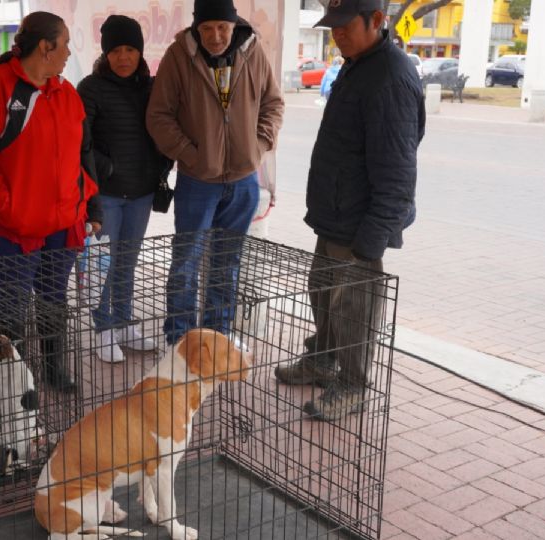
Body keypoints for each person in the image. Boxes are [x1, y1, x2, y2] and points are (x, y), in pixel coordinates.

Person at [274, 0, 425, 421]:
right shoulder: (358, 63)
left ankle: (354, 384)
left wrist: (372, 238)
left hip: (361, 224)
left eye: (345, 26)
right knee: (322, 293)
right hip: (335, 213)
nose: (336, 34)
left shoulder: (391, 77)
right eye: (333, 26)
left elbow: (398, 171)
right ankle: (322, 360)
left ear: (377, 21)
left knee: (354, 307)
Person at [0, 11, 102, 392]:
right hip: (12, 226)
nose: (69, 52)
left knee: (54, 301)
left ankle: (53, 369)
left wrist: (90, 206)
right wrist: (4, 205)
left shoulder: (66, 92)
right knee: (11, 304)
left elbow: (81, 153)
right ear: (45, 47)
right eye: (66, 44)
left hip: (62, 222)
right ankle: (15, 382)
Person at [147, 0, 284, 347]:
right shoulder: (180, 55)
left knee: (227, 263)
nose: (215, 36)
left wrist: (259, 143)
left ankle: (217, 335)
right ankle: (179, 337)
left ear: (234, 24)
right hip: (197, 181)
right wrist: (190, 155)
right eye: (207, 28)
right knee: (186, 263)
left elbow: (273, 103)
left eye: (222, 27)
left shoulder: (253, 52)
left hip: (243, 180)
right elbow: (159, 116)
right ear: (197, 28)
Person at [77, 15, 172, 363]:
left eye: (130, 49)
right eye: (116, 50)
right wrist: (109, 168)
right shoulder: (90, 87)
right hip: (106, 194)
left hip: (142, 192)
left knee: (128, 262)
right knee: (103, 262)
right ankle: (102, 329)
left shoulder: (150, 86)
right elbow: (80, 142)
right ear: (105, 54)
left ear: (140, 51)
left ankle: (123, 323)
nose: (123, 57)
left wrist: (161, 167)